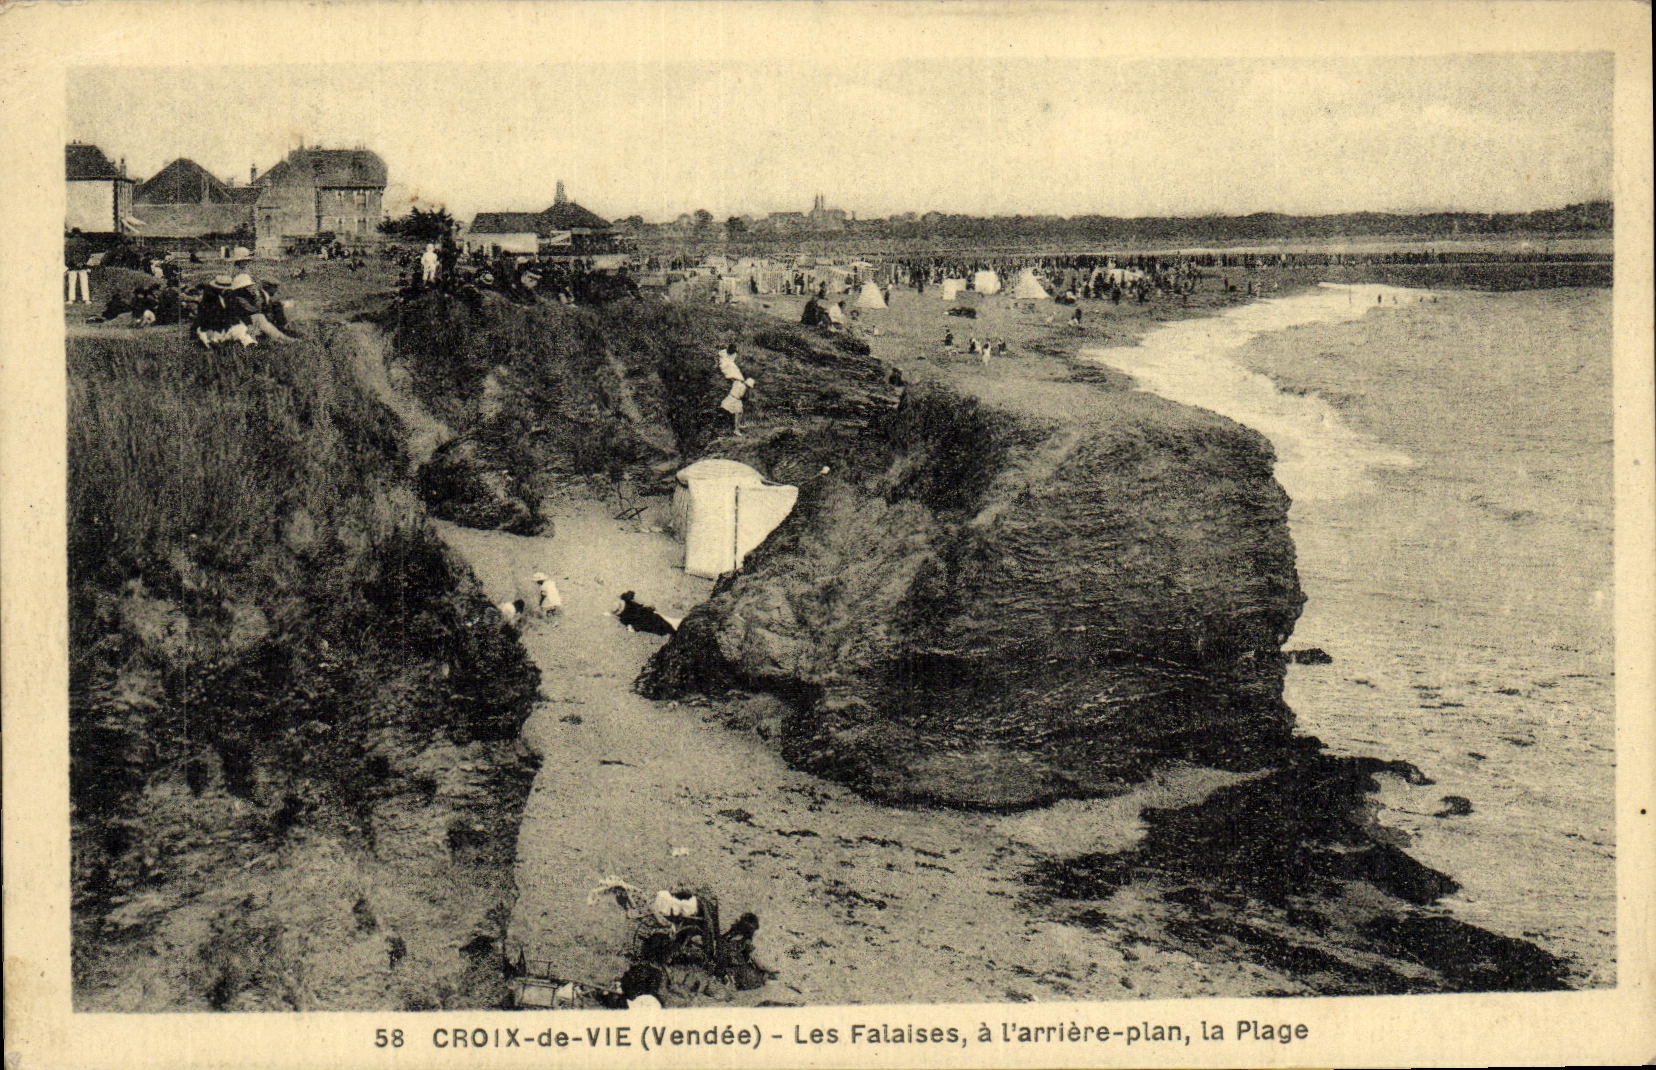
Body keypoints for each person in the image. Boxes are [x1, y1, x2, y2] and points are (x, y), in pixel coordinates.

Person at [65, 228, 92, 305]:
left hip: (72, 265)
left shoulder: (69, 242)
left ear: (73, 233)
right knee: (84, 282)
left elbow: (67, 254)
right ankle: (86, 299)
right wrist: (83, 262)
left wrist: (72, 263)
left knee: (72, 282)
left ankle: (71, 299)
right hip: (82, 265)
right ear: (80, 233)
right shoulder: (85, 242)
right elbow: (88, 253)